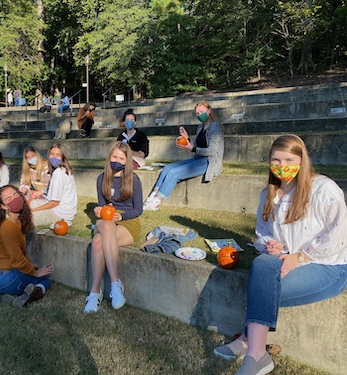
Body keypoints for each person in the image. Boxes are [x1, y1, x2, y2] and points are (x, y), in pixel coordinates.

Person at [213, 134, 347, 375]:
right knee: (263, 263)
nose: (282, 166)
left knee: (263, 289)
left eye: (289, 159)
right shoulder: (269, 195)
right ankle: (256, 352)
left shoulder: (323, 189)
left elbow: (338, 237)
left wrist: (300, 257)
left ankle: (249, 345)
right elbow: (261, 233)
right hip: (288, 260)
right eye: (276, 160)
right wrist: (271, 245)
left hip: (328, 265)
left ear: (302, 160)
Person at [84, 142, 143, 313]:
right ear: (109, 157)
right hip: (106, 220)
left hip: (127, 222)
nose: (117, 160)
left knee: (97, 242)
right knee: (106, 226)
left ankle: (96, 292)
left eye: (121, 158)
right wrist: (99, 210)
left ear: (127, 161)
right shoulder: (101, 178)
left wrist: (122, 215)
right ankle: (114, 284)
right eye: (114, 157)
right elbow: (102, 205)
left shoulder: (134, 180)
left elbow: (138, 209)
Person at [143, 101, 223, 211]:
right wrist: (186, 138)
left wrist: (192, 148)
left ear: (209, 111)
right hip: (198, 158)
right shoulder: (200, 127)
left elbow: (213, 151)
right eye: (197, 113)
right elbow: (194, 145)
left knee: (173, 174)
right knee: (167, 169)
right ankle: (152, 196)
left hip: (209, 162)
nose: (199, 115)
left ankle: (156, 202)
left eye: (202, 112)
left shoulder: (215, 128)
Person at [0, 185, 54, 307]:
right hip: (5, 278)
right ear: (3, 206)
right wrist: (35, 273)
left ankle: (3, 294)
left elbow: (19, 253)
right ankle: (27, 296)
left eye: (16, 195)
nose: (14, 199)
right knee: (45, 281)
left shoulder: (15, 223)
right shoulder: (8, 226)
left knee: (32, 273)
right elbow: (17, 260)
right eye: (9, 198)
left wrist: (30, 266)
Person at [30, 143, 77, 226]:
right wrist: (43, 192)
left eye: (58, 155)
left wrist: (35, 210)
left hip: (59, 213)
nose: (54, 157)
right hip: (60, 209)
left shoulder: (59, 173)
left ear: (63, 157)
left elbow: (54, 203)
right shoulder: (63, 170)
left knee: (27, 217)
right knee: (30, 204)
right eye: (52, 154)